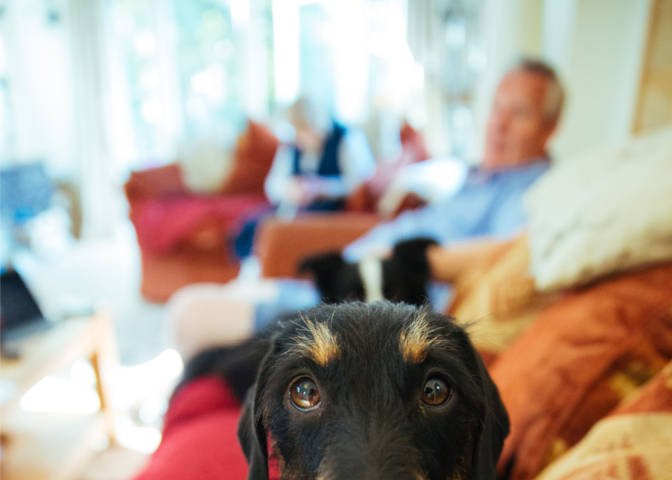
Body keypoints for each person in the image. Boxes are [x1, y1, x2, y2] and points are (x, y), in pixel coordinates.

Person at [170, 58, 564, 356]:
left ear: (549, 128)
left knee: (188, 313)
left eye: (519, 113)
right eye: (497, 107)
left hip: (375, 306)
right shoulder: (479, 175)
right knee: (227, 290)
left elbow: (514, 253)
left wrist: (404, 260)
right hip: (349, 285)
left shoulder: (535, 190)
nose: (499, 124)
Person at [233, 97, 376, 258]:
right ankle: (251, 269)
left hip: (329, 206)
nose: (303, 137)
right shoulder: (291, 145)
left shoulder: (346, 138)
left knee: (292, 227)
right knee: (252, 224)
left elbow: (362, 182)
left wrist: (323, 188)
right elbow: (272, 185)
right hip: (293, 205)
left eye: (307, 130)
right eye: (299, 131)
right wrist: (290, 189)